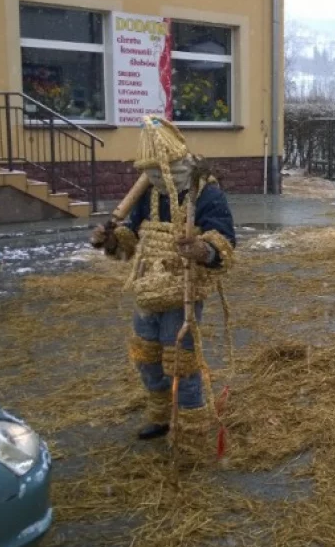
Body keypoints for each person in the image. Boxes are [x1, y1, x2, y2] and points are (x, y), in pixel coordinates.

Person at [90, 116, 235, 464]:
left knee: (180, 361)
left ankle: (189, 430)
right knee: (147, 357)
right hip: (147, 288)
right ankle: (159, 413)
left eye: (164, 168)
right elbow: (132, 239)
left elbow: (224, 241)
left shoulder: (206, 192)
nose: (159, 176)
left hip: (181, 291)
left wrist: (202, 249)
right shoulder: (148, 193)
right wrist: (111, 239)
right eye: (152, 170)